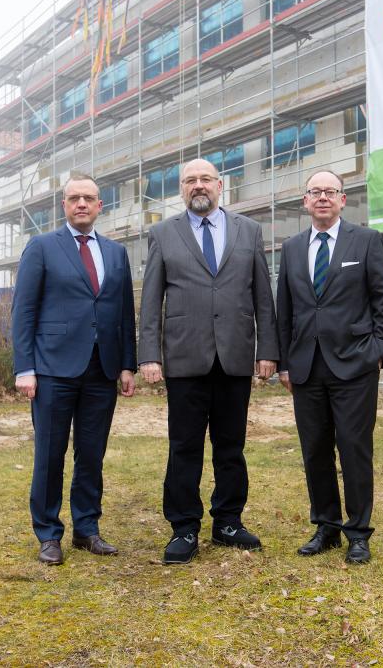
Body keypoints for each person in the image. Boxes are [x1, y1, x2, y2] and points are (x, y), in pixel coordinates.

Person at [138, 159, 278, 565]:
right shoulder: (163, 234)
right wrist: (149, 354)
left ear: (220, 185)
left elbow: (262, 295)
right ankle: (184, 528)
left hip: (235, 355)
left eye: (205, 179)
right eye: (189, 181)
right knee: (184, 446)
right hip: (185, 358)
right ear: (181, 189)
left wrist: (268, 350)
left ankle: (228, 522)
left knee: (231, 446)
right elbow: (151, 299)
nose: (198, 186)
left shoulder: (249, 231)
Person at [11, 174, 137, 565]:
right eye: (73, 198)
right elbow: (23, 310)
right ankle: (48, 534)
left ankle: (87, 529)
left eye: (88, 198)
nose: (81, 204)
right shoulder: (42, 247)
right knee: (50, 453)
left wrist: (128, 364)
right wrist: (24, 367)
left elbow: (124, 313)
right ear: (64, 205)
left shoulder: (116, 253)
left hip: (102, 369)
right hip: (52, 368)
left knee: (92, 454)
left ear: (100, 205)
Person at [275, 170, 383, 565]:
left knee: (354, 449)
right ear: (305, 201)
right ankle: (326, 526)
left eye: (331, 191)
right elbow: (285, 310)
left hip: (355, 364)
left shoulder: (366, 241)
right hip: (306, 367)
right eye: (315, 192)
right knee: (315, 450)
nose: (323, 197)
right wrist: (284, 363)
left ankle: (358, 533)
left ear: (343, 200)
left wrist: (380, 350)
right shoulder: (292, 248)